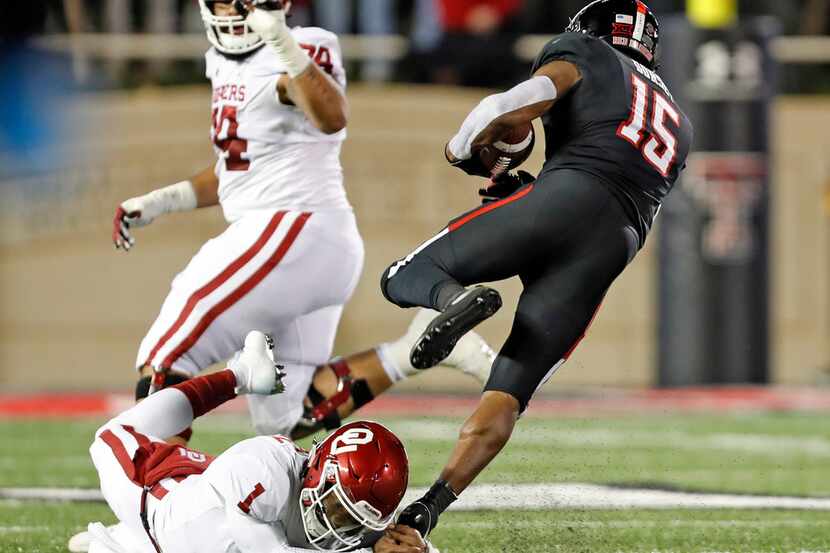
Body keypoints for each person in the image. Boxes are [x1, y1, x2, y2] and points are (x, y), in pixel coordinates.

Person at [111, 0, 494, 443]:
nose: (235, 8)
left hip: (292, 228)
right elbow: (238, 172)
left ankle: (165, 500)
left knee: (165, 358)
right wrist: (163, 201)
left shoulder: (306, 44)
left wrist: (280, 40)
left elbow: (331, 116)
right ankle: (409, 350)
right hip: (305, 242)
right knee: (282, 418)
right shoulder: (220, 61)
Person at [380, 0, 693, 537]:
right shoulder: (679, 121)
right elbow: (616, 183)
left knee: (401, 277)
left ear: (591, 31)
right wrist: (530, 186)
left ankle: (454, 299)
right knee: (509, 390)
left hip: (566, 196)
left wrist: (460, 150)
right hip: (612, 245)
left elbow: (509, 106)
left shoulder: (586, 53)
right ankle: (429, 508)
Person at [68, 331, 436, 553]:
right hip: (159, 503)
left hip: (206, 517)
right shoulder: (264, 468)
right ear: (315, 475)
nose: (336, 526)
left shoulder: (358, 513)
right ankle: (241, 375)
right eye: (336, 509)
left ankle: (116, 542)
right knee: (108, 440)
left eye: (350, 520)